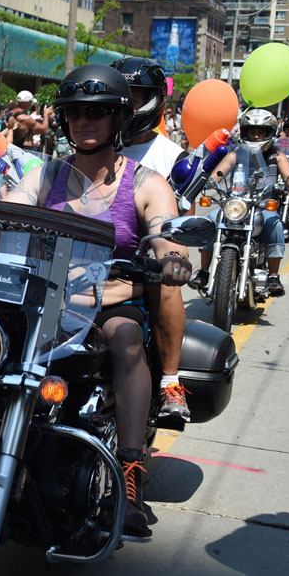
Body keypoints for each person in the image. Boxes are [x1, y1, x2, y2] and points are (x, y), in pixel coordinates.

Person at [4, 64, 190, 539]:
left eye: (97, 113)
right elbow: (9, 212)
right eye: (75, 113)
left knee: (126, 341)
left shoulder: (144, 182)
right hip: (44, 300)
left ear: (117, 119)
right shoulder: (45, 177)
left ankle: (130, 478)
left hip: (109, 303)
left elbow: (166, 230)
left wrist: (169, 253)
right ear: (63, 120)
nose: (84, 122)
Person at [113, 56, 192, 422]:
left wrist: (171, 253)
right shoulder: (94, 143)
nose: (128, 103)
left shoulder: (172, 158)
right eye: (122, 94)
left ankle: (171, 381)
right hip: (88, 254)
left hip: (140, 261)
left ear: (155, 100)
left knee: (166, 278)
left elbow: (178, 224)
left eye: (136, 95)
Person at [191, 108, 289, 297]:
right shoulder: (236, 154)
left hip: (262, 204)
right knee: (210, 219)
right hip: (237, 204)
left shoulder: (277, 156)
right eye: (252, 131)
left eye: (261, 132)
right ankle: (203, 271)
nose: (256, 135)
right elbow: (219, 173)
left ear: (270, 133)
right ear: (244, 132)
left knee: (274, 223)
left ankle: (273, 276)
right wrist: (209, 181)